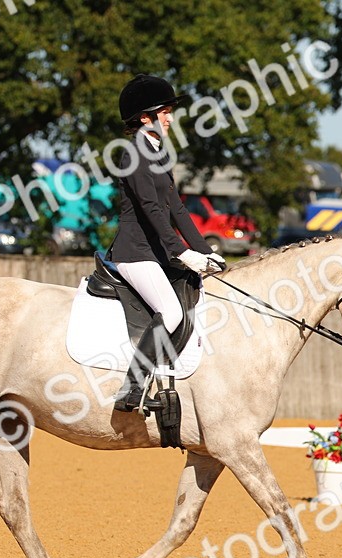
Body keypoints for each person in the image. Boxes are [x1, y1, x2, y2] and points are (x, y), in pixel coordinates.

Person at [107, 73, 224, 412]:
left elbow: (177, 209)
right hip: (135, 253)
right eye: (165, 112)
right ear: (146, 117)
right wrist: (182, 252)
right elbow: (153, 211)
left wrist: (206, 252)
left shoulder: (159, 154)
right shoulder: (134, 155)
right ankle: (132, 388)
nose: (171, 118)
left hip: (155, 252)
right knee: (170, 311)